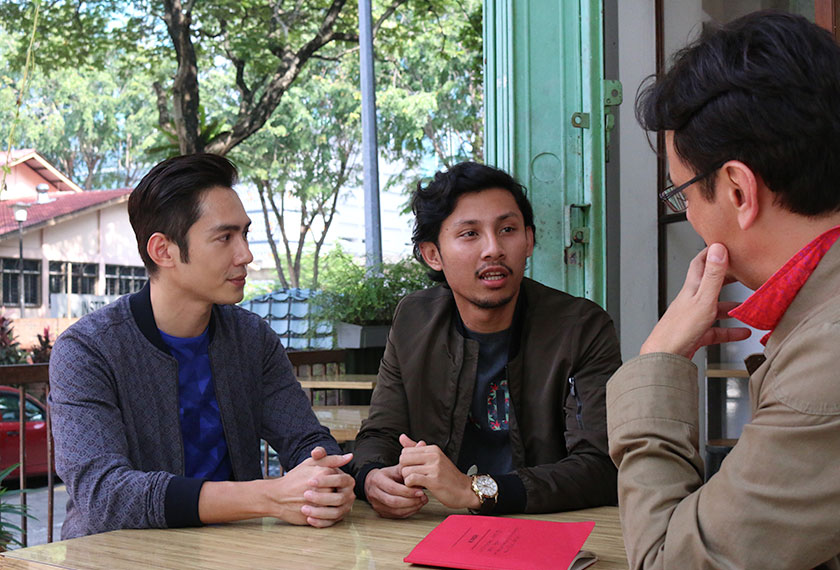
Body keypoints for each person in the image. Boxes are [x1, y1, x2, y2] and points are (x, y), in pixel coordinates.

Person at [607, 11, 840, 569]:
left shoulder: (826, 357)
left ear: (737, 189)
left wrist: (658, 360)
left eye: (682, 193)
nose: (687, 214)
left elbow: (670, 562)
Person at [49, 154, 355, 539]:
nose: (246, 254)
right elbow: (105, 494)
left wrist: (329, 479)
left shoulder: (251, 338)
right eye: (225, 237)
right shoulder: (87, 350)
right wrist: (266, 497)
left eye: (245, 234)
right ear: (163, 251)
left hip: (232, 552)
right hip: (117, 557)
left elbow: (306, 440)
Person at [350, 161, 621, 518]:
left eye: (508, 229)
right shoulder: (414, 320)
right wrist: (372, 478)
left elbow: (601, 466)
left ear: (529, 240)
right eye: (470, 234)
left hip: (548, 524)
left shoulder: (581, 327)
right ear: (433, 254)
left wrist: (473, 490)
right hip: (436, 525)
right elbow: (380, 433)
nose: (493, 248)